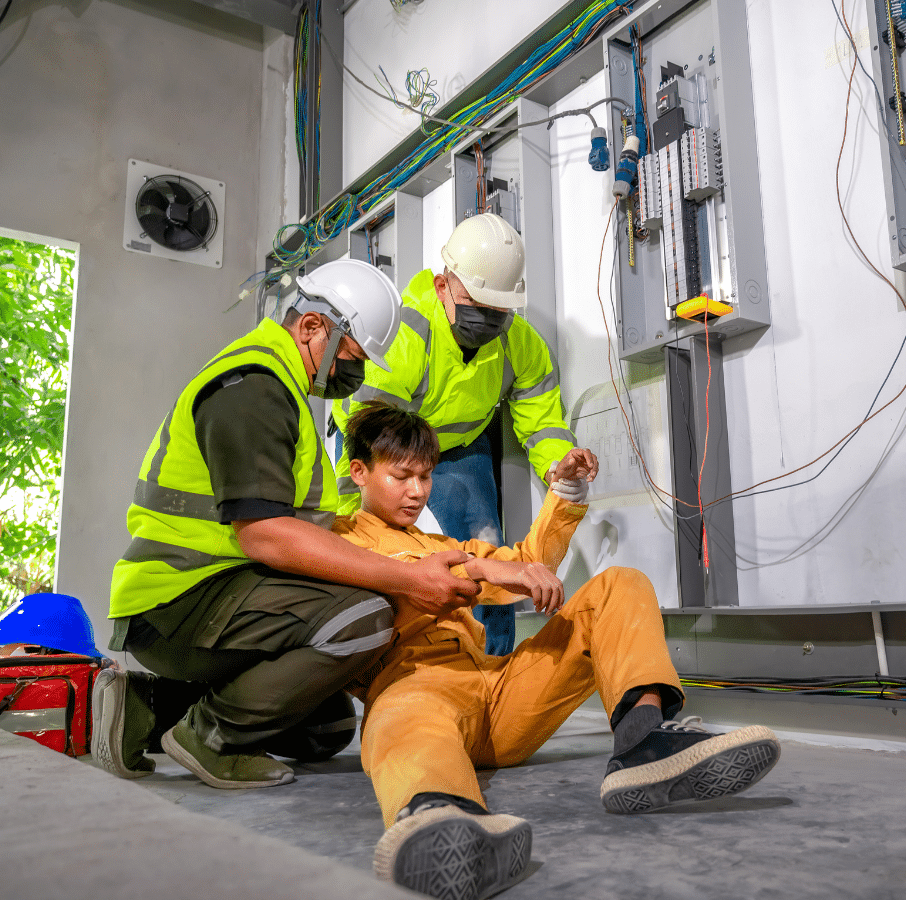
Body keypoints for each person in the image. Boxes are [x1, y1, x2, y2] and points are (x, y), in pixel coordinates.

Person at [335, 402, 781, 900]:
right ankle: (445, 816)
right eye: (401, 476)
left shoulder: (440, 541)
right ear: (360, 472)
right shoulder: (337, 542)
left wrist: (563, 493)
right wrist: (481, 571)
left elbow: (525, 564)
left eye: (425, 476)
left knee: (618, 584)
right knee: (404, 718)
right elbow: (410, 586)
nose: (417, 491)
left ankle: (641, 742)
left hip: (497, 693)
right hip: (415, 687)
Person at [94, 259, 482, 790]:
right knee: (365, 617)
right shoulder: (252, 391)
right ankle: (210, 737)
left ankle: (147, 708)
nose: (357, 374)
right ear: (312, 327)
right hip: (180, 599)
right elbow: (266, 534)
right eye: (352, 356)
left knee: (325, 729)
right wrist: (410, 579)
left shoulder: (280, 391)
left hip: (215, 591)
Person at [332, 212, 592, 657]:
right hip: (383, 443)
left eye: (498, 309)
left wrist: (558, 464)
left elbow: (542, 418)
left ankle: (494, 663)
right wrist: (350, 517)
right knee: (376, 549)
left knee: (484, 547)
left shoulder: (521, 344)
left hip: (458, 448)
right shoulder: (404, 336)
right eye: (477, 304)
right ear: (442, 287)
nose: (488, 319)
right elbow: (366, 433)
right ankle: (386, 657)